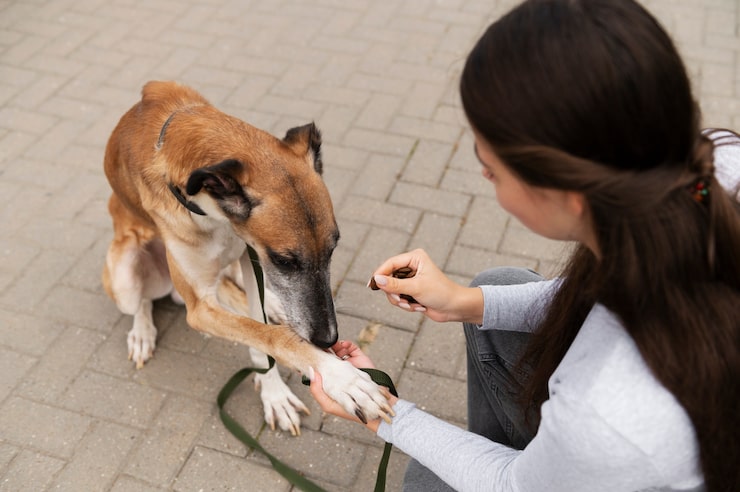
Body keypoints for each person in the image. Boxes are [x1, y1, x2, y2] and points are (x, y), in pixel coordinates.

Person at [309, 0, 740, 490]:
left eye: (490, 168)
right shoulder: (711, 164)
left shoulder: (611, 413)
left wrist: (380, 410)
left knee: (429, 479)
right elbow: (594, 304)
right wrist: (461, 302)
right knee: (497, 289)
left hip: (601, 455)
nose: (482, 174)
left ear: (568, 195)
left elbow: (509, 485)